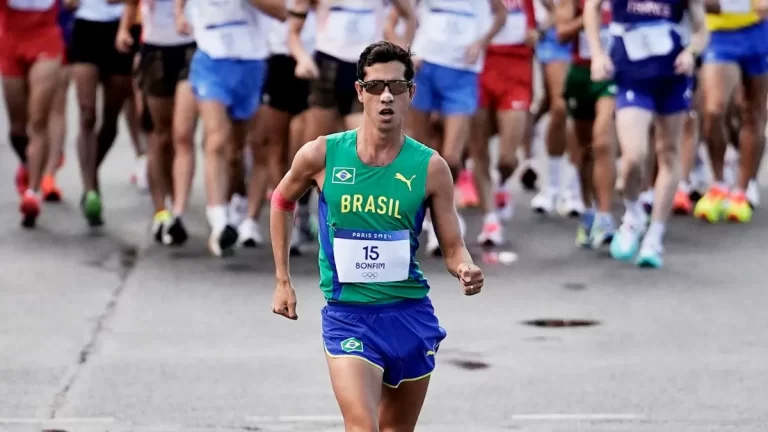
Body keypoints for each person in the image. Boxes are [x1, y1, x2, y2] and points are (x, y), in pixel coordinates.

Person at [270, 41, 484, 430]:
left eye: (397, 87)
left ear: (411, 94)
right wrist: (283, 280)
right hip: (347, 316)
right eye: (375, 87)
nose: (386, 96)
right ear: (360, 92)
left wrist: (466, 268)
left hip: (409, 315)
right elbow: (282, 201)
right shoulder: (322, 154)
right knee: (363, 426)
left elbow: (452, 247)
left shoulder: (430, 167)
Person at [585, 0, 709, 268]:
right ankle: (633, 215)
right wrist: (597, 53)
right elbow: (592, 7)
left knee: (668, 151)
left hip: (672, 75)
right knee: (634, 157)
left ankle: (655, 235)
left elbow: (701, 29)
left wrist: (692, 52)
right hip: (631, 74)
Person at [175, 0, 286, 256]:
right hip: (210, 60)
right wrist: (180, 13)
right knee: (216, 139)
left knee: (236, 153)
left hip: (252, 63)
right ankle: (219, 220)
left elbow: (281, 12)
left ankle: (237, 206)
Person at [399, 0, 507, 256]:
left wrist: (481, 43)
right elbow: (404, 10)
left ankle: (442, 210)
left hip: (463, 69)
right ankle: (432, 218)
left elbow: (500, 15)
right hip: (425, 65)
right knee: (420, 151)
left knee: (451, 157)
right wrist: (409, 50)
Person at [117, 0, 197, 245]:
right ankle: (161, 209)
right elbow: (132, 5)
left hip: (192, 48)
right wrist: (123, 29)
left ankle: (178, 209)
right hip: (156, 49)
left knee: (182, 134)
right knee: (160, 135)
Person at [471, 0, 540, 246]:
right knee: (479, 151)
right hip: (481, 66)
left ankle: (500, 183)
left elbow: (550, 15)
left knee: (508, 158)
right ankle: (490, 220)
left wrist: (538, 32)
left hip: (516, 69)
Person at [693, 3, 768, 223]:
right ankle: (718, 183)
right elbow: (705, 4)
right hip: (719, 35)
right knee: (714, 110)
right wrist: (747, 4)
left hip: (758, 32)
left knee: (753, 112)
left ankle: (742, 189)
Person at [555, 0, 617, 248]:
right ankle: (589, 210)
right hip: (582, 73)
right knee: (585, 150)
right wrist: (589, 17)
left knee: (602, 142)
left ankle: (605, 215)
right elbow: (561, 33)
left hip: (612, 73)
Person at [0, 0, 66, 227]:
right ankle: (27, 165)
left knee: (38, 120)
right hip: (11, 41)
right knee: (17, 127)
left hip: (45, 39)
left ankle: (32, 192)